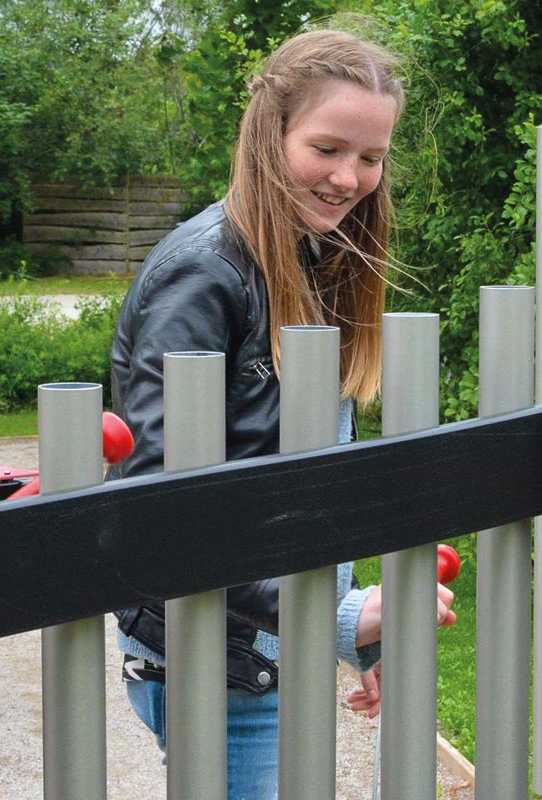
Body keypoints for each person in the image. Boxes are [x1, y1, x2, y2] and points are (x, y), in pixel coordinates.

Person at [108, 28, 456, 799]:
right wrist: (340, 617)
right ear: (271, 134)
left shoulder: (311, 254)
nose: (349, 177)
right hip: (215, 657)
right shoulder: (203, 276)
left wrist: (360, 638)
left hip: (267, 642)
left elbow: (308, 479)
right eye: (326, 148)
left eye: (371, 157)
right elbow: (166, 512)